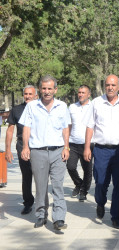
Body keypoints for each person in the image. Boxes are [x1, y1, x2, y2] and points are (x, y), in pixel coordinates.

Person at [19, 75, 70, 230]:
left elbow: (65, 129)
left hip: (58, 151)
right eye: (44, 88)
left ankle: (59, 218)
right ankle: (41, 215)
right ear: (39, 89)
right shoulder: (32, 106)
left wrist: (66, 147)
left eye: (50, 88)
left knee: (58, 186)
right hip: (38, 152)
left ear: (55, 89)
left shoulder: (62, 106)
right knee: (41, 186)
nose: (47, 92)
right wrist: (25, 147)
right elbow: (26, 127)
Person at [83, 74, 119, 229]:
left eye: (113, 85)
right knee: (100, 183)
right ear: (105, 87)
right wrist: (86, 147)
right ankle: (100, 202)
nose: (110, 88)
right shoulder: (96, 103)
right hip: (101, 150)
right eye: (107, 85)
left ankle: (116, 217)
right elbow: (90, 126)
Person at [5, 85, 38, 215]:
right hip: (21, 146)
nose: (28, 96)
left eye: (30, 94)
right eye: (26, 94)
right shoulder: (17, 110)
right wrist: (8, 150)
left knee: (41, 177)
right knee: (26, 176)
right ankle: (28, 202)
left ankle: (42, 203)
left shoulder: (41, 109)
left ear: (36, 95)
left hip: (38, 146)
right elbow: (10, 131)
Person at [67, 85, 93, 202]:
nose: (80, 94)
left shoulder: (93, 106)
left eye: (83, 92)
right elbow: (68, 125)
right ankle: (78, 183)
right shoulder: (72, 107)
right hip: (73, 142)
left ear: (89, 94)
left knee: (87, 169)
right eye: (79, 92)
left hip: (88, 143)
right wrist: (66, 142)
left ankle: (84, 191)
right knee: (70, 166)